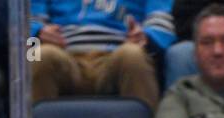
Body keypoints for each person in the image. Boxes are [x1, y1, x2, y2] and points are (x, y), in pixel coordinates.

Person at [30, 0, 176, 111]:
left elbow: (162, 25)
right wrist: (38, 34)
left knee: (133, 55)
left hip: (117, 55)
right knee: (37, 54)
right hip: (63, 55)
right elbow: (24, 28)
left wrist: (145, 38)